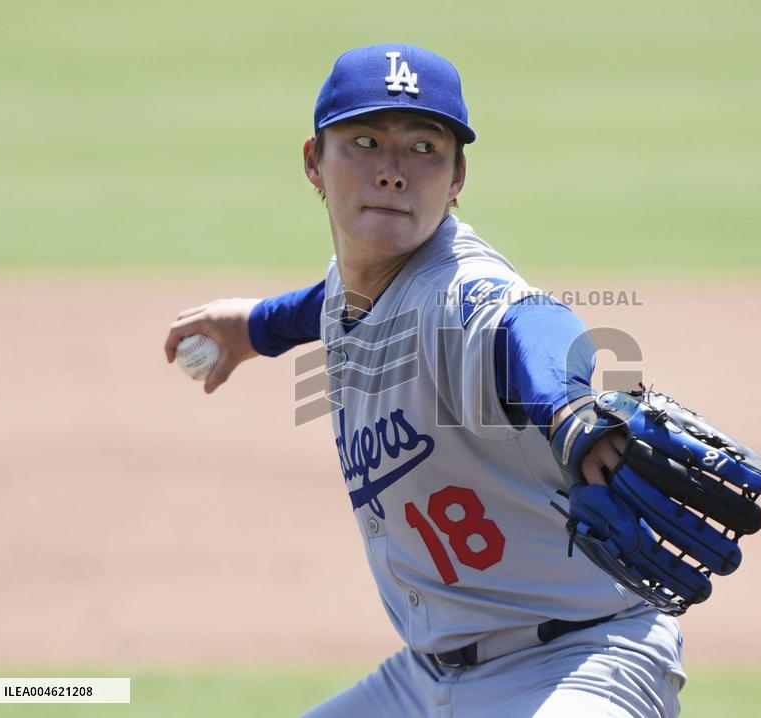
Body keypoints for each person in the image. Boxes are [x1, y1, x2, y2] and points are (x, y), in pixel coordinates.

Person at [164, 43, 685, 717]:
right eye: (365, 141)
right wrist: (253, 328)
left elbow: (528, 322)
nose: (392, 172)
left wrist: (567, 407)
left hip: (582, 663)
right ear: (312, 163)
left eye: (423, 149)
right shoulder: (355, 283)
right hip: (424, 679)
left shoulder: (462, 288)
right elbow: (325, 306)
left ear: (458, 175)